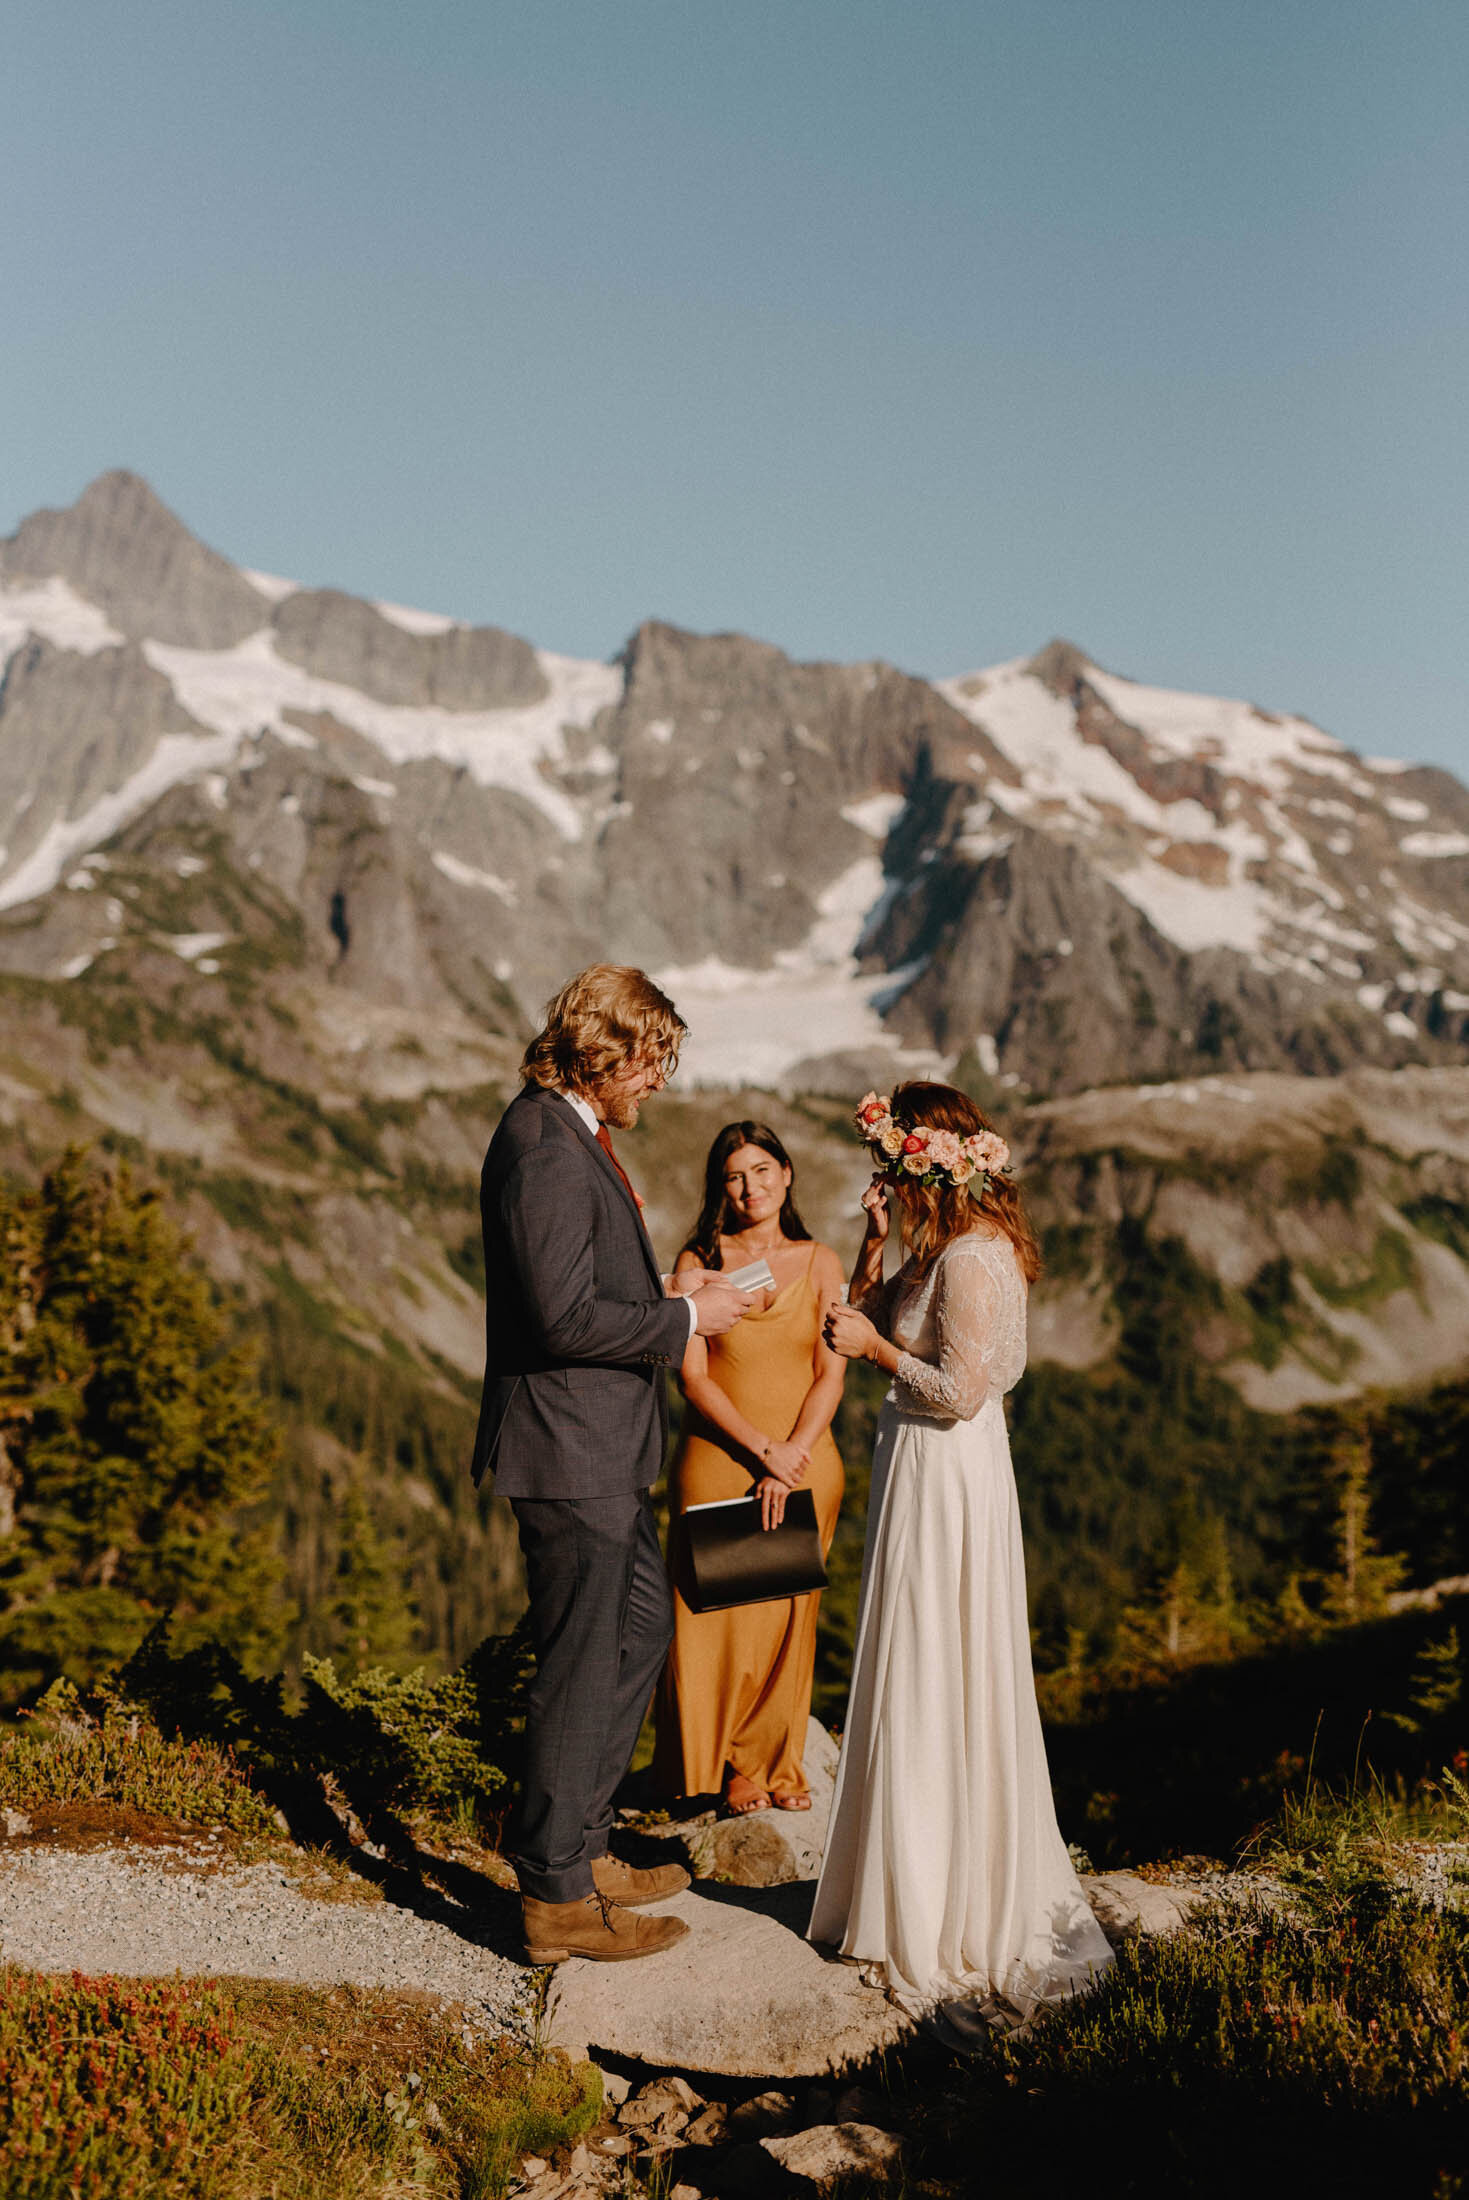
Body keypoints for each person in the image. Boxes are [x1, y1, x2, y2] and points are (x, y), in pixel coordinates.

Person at [809, 1081, 1113, 2031]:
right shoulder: (933, 1247)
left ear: (930, 1166)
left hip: (948, 1466)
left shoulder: (977, 1258)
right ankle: (901, 1879)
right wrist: (872, 1244)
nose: (890, 1182)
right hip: (916, 1464)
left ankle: (947, 1900)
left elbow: (961, 1390)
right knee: (914, 1659)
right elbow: (860, 1314)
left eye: (898, 1170)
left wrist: (872, 1355)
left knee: (941, 1662)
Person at [470, 965, 753, 1965]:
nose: (659, 1083)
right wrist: (684, 1316)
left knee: (630, 1639)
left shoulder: (565, 1134)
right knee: (583, 1665)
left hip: (600, 1450)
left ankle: (580, 1847)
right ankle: (552, 1899)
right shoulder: (544, 1146)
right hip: (567, 1451)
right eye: (652, 1061)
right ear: (607, 1050)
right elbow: (559, 1316)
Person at [653, 1124, 847, 1816]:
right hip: (719, 1456)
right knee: (709, 1613)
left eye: (762, 1171)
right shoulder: (698, 1259)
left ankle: (773, 1762)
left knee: (786, 1616)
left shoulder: (820, 1259)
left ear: (787, 1175)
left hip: (805, 1460)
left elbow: (830, 1373)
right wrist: (761, 1451)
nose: (750, 1187)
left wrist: (791, 1453)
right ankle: (718, 1766)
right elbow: (692, 1377)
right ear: (719, 1187)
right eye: (735, 1176)